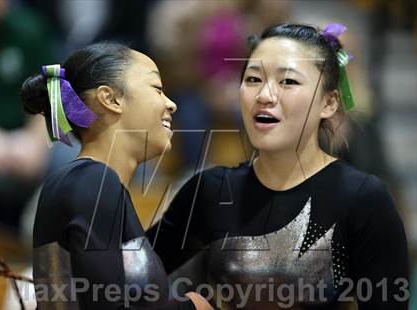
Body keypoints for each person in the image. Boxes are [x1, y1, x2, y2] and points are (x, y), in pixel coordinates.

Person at [147, 23, 409, 309]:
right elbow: (127, 279)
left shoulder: (363, 199)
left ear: (329, 103)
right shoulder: (211, 191)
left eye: (288, 81)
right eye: (253, 79)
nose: (264, 95)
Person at [21, 42, 212, 310]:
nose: (171, 104)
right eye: (157, 88)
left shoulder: (85, 181)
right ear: (110, 99)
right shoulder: (93, 180)